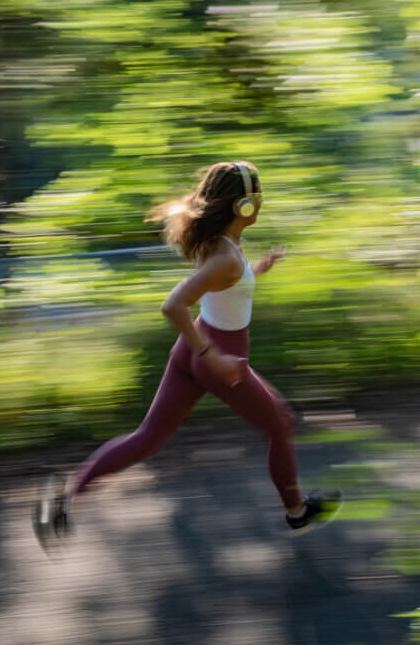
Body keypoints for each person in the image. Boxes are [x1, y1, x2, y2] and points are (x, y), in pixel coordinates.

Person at [33, 160, 341, 548]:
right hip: (218, 356)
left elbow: (223, 284)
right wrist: (212, 357)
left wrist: (254, 272)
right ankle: (297, 512)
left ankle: (66, 497)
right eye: (256, 197)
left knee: (147, 437)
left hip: (191, 347)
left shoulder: (222, 244)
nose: (261, 204)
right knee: (281, 424)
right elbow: (173, 305)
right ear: (242, 205)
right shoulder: (226, 256)